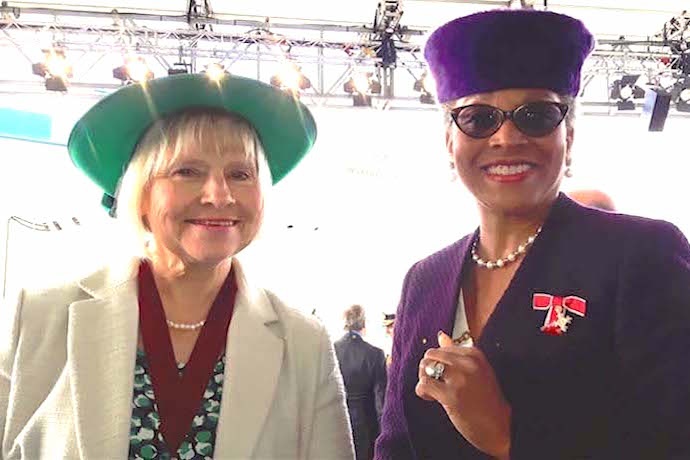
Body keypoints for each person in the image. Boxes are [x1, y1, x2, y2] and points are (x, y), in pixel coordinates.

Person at [375, 9, 690, 460]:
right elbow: (395, 444)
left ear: (570, 136)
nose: (507, 137)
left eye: (536, 116)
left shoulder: (641, 256)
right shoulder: (424, 279)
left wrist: (507, 435)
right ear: (450, 143)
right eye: (479, 119)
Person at [0, 73, 354, 459]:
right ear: (142, 189)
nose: (219, 195)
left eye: (240, 174)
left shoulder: (304, 343)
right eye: (188, 171)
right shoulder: (42, 317)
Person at [334, 305, 387, 460]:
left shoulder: (331, 350)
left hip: (339, 422)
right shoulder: (376, 354)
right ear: (363, 324)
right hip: (367, 424)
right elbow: (380, 398)